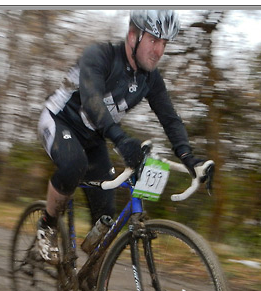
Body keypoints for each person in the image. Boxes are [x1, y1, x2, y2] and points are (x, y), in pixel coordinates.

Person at [36, 10, 204, 266]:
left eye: (164, 43)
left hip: (94, 138)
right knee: (73, 164)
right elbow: (93, 103)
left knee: (106, 217)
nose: (159, 50)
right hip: (59, 121)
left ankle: (91, 287)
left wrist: (188, 157)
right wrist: (122, 140)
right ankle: (46, 226)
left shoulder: (150, 79)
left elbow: (170, 118)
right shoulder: (100, 56)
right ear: (133, 35)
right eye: (153, 40)